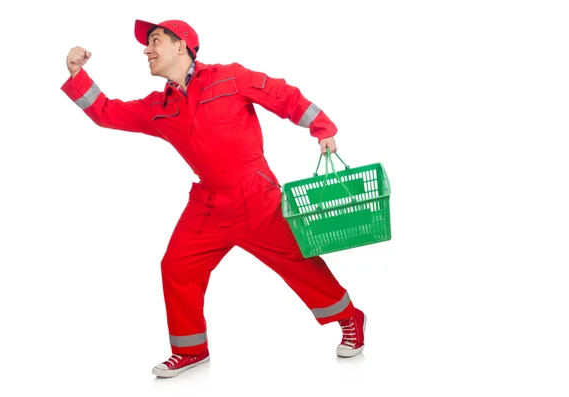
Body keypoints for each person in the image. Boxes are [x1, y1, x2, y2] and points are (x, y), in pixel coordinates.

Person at [61, 18, 366, 378]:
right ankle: (190, 351)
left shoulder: (229, 77)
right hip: (207, 206)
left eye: (155, 40)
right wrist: (76, 73)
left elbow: (283, 96)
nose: (147, 49)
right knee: (177, 266)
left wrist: (323, 129)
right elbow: (107, 113)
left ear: (182, 46)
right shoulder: (158, 106)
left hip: (258, 200)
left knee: (301, 263)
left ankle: (350, 318)